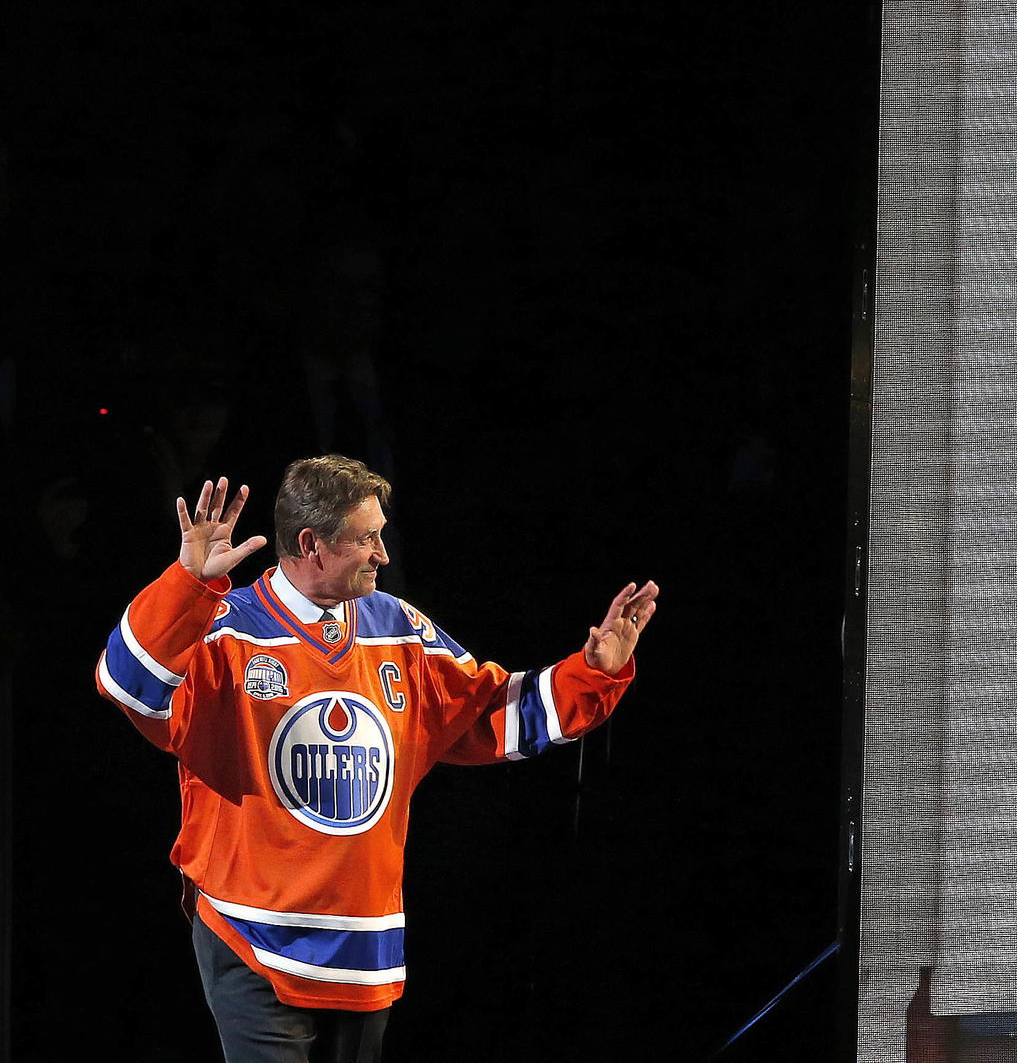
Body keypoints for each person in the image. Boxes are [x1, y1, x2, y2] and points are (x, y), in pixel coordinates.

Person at [94, 455, 658, 1062]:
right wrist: (187, 585)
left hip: (364, 944)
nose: (383, 555)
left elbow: (487, 714)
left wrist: (591, 674)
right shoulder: (227, 629)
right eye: (367, 538)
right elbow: (128, 685)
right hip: (250, 933)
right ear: (311, 544)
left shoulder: (398, 628)